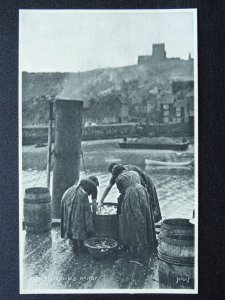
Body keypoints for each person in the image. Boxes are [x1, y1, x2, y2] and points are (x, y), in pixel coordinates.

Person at [99, 164, 157, 262]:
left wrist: (101, 201)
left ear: (114, 173)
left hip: (131, 195)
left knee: (131, 219)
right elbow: (143, 184)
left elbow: (122, 191)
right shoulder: (134, 172)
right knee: (143, 216)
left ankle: (133, 246)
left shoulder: (118, 178)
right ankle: (147, 241)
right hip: (142, 192)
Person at [61, 177, 99, 253]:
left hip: (67, 194)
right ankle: (82, 240)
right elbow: (94, 204)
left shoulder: (81, 181)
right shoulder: (94, 187)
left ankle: (74, 241)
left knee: (69, 217)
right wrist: (95, 215)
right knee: (82, 218)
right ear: (95, 183)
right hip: (79, 195)